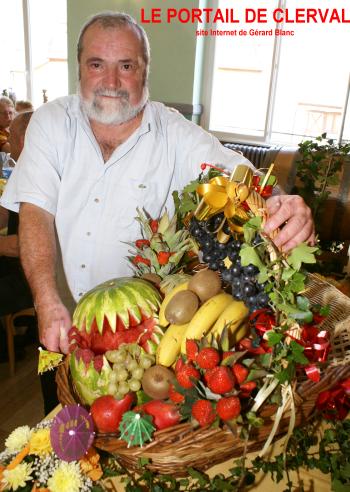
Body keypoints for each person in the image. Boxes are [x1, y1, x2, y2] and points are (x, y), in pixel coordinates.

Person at [1, 12, 314, 356]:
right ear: (79, 68)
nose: (110, 81)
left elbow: (245, 179)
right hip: (59, 323)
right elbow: (35, 211)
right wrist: (46, 301)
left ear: (145, 70)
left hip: (140, 340)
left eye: (126, 66)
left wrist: (283, 205)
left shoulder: (176, 136)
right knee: (60, 409)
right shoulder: (51, 122)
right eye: (96, 65)